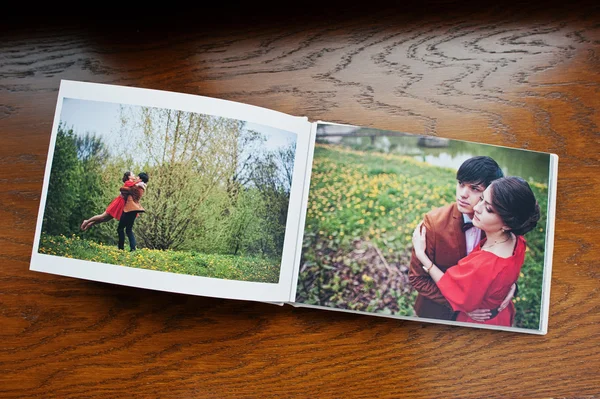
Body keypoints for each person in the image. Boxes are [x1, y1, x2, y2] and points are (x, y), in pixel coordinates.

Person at [412, 176, 540, 326]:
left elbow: (454, 290)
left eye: (488, 209)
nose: (476, 208)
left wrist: (423, 256)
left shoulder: (484, 263)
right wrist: (508, 286)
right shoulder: (517, 241)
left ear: (507, 224)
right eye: (482, 199)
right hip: (500, 314)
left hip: (478, 321)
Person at [408, 156, 515, 321]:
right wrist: (461, 305)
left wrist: (512, 287)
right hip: (438, 313)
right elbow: (417, 278)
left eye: (474, 188)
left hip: (485, 316)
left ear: (491, 192)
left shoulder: (500, 224)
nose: (463, 194)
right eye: (461, 184)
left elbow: (507, 265)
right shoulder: (433, 224)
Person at [117, 172, 148, 251]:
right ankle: (133, 248)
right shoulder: (141, 187)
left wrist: (123, 188)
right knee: (128, 229)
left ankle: (121, 248)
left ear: (140, 179)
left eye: (138, 177)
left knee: (120, 229)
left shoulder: (136, 187)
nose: (136, 178)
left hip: (129, 209)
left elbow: (123, 189)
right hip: (134, 210)